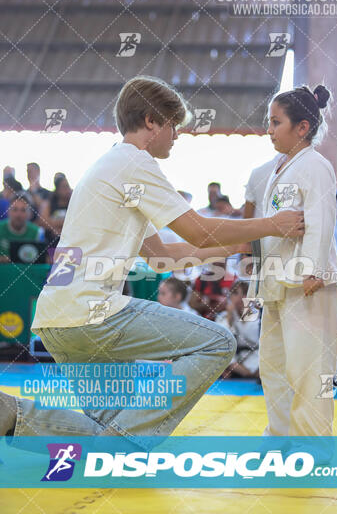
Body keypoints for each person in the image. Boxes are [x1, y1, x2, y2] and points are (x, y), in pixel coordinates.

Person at [0, 75, 304, 441]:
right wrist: (270, 224)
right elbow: (195, 229)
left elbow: (163, 257)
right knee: (218, 343)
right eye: (173, 125)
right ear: (150, 121)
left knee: (111, 438)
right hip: (92, 310)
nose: (176, 135)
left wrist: (236, 247)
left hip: (58, 317)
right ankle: (122, 439)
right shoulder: (135, 163)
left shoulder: (110, 166)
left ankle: (10, 415)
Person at [250, 84, 337, 438]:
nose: (269, 130)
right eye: (268, 122)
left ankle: (314, 445)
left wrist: (312, 271)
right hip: (276, 282)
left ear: (302, 128)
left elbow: (320, 221)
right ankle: (280, 434)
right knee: (273, 367)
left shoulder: (316, 166)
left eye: (276, 122)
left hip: (308, 284)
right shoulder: (278, 168)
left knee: (308, 369)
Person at [216, 281, 260, 379]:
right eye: (235, 293)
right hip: (233, 362)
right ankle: (241, 372)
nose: (240, 297)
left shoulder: (259, 317)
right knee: (222, 351)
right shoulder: (224, 317)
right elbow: (222, 344)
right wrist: (229, 319)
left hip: (255, 359)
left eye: (244, 293)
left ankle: (250, 373)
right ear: (230, 297)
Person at [0, 193, 44, 263]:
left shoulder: (37, 232)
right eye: (15, 209)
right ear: (8, 211)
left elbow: (41, 260)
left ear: (30, 214)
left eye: (23, 210)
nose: (18, 214)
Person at [40, 175, 72, 248]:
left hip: (69, 244)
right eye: (64, 187)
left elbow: (76, 222)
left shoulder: (73, 204)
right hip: (51, 243)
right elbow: (43, 222)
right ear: (57, 190)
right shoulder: (49, 204)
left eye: (68, 186)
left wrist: (58, 228)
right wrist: (64, 224)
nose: (68, 190)